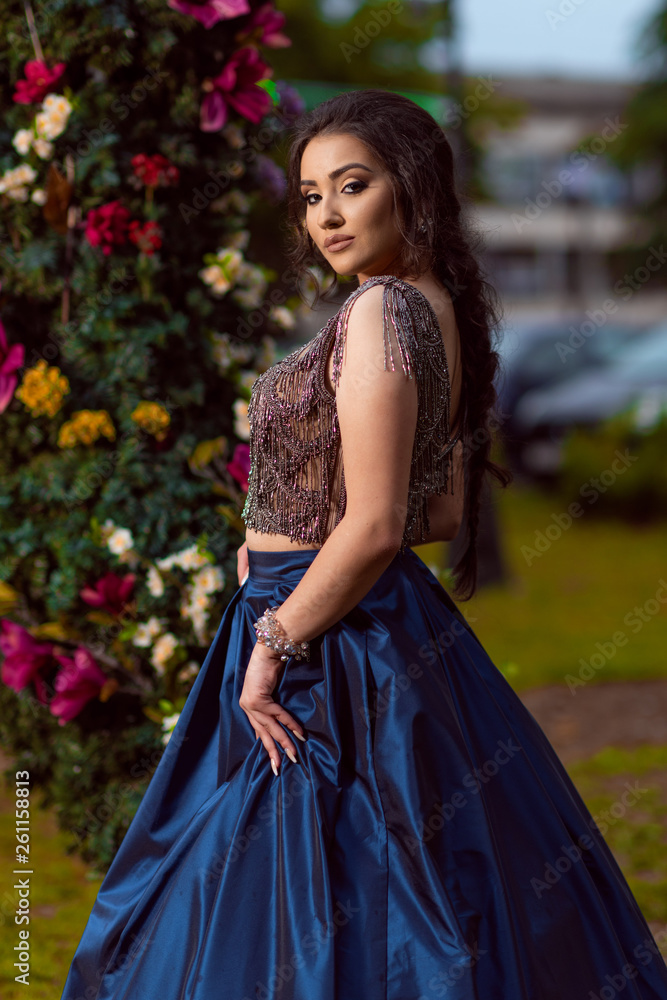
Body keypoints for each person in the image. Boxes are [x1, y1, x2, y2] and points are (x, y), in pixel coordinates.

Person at [61, 89, 667, 1000]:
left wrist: (272, 641)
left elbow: (382, 523)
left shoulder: (381, 311)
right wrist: (288, 536)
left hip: (318, 636)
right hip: (352, 614)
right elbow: (440, 512)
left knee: (271, 899)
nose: (326, 216)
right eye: (308, 196)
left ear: (410, 188)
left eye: (351, 186)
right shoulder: (435, 308)